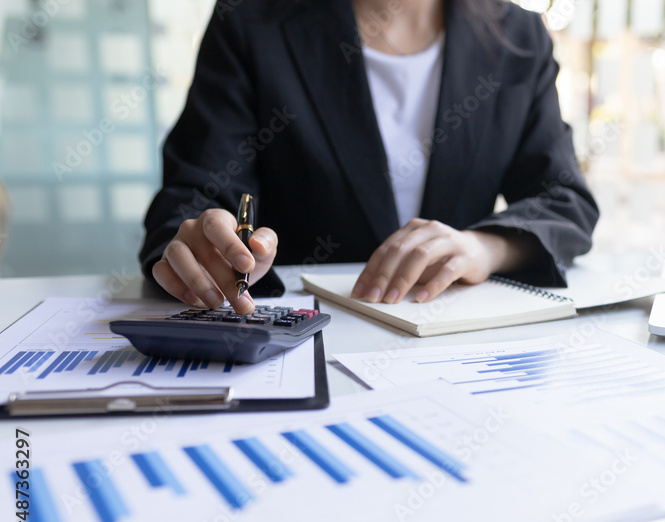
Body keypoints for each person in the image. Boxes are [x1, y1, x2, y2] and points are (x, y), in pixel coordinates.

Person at [140, 0, 599, 315]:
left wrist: (485, 248)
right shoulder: (251, 21)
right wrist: (205, 247)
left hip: (455, 339)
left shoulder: (518, 36)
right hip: (303, 341)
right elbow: (191, 198)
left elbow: (563, 199)